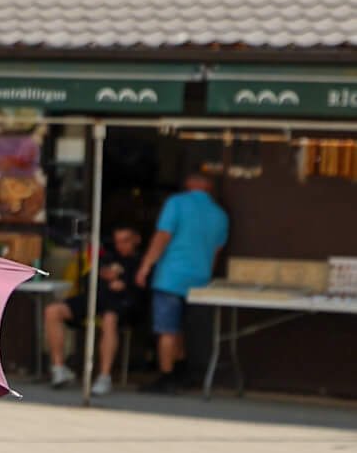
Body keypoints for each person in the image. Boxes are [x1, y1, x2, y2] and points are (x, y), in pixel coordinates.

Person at [136, 168, 230, 385]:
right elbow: (216, 252)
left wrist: (146, 265)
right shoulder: (220, 215)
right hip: (200, 277)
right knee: (183, 327)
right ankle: (181, 370)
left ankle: (166, 375)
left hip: (171, 274)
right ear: (210, 186)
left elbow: (163, 236)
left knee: (167, 328)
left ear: (189, 182)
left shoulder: (176, 203)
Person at [44, 223, 145, 394]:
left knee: (109, 318)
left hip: (122, 304)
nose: (121, 245)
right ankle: (59, 368)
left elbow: (141, 291)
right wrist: (101, 274)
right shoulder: (107, 256)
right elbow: (86, 280)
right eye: (118, 241)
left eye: (126, 241)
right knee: (53, 311)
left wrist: (124, 284)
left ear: (136, 239)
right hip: (94, 299)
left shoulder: (141, 261)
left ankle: (104, 376)